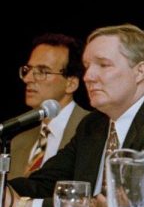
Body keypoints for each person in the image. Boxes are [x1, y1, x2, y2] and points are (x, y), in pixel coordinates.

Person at [3, 24, 144, 207]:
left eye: (103, 65)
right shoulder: (94, 124)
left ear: (140, 71)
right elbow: (47, 183)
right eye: (87, 66)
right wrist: (4, 191)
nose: (88, 76)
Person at [9, 33, 89, 179]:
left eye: (42, 72)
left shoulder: (93, 130)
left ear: (71, 83)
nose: (27, 79)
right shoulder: (18, 142)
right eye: (28, 70)